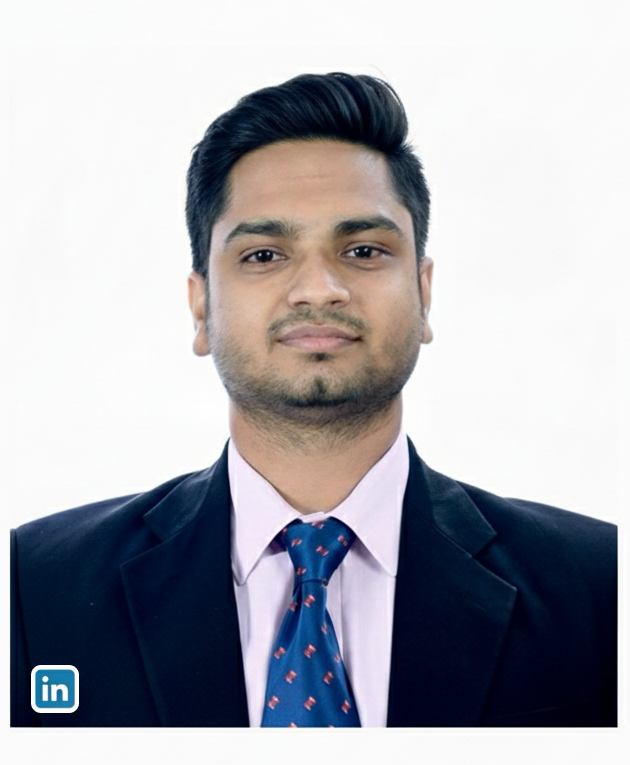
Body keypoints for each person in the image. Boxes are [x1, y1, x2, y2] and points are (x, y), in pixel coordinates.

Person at [11, 72, 617, 728]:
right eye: (264, 255)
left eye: (363, 250)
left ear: (424, 294)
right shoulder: (33, 589)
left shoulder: (602, 586)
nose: (319, 288)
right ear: (200, 306)